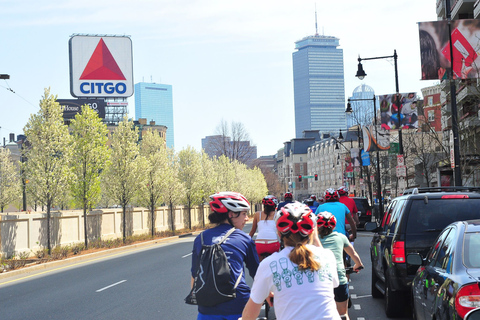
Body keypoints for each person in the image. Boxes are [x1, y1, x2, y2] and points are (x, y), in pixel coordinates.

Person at [241, 202, 340, 320]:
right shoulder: (327, 256)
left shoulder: (269, 264)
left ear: (278, 233)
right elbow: (334, 284)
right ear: (312, 232)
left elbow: (250, 313)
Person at [190, 191, 259, 320]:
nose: (246, 218)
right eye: (244, 213)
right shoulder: (244, 239)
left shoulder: (201, 239)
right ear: (231, 214)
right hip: (238, 305)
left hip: (207, 308)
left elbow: (194, 277)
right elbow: (259, 275)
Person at [317, 211, 364, 320]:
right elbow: (353, 254)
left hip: (319, 282)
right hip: (338, 279)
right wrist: (358, 264)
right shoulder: (341, 237)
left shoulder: (312, 239)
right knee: (343, 313)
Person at [249, 195, 281, 261]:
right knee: (273, 265)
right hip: (273, 244)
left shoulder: (257, 214)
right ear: (275, 205)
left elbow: (253, 231)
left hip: (259, 245)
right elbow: (281, 231)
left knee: (259, 266)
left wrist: (247, 241)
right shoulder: (278, 214)